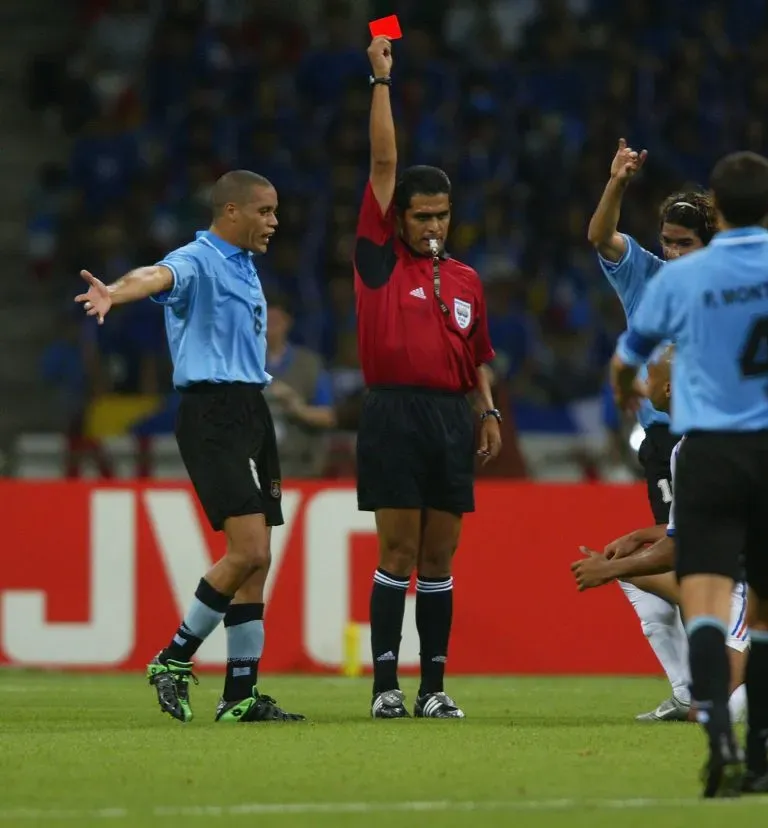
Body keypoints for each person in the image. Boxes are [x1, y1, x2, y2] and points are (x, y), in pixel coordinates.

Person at [610, 36, 768, 797]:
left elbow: (628, 362)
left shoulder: (685, 278)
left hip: (710, 450)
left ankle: (717, 742)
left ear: (716, 210)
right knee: (764, 613)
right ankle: (759, 754)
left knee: (700, 600)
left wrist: (633, 390)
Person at [587, 141, 768, 723]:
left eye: (683, 243)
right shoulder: (649, 275)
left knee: (705, 565)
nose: (671, 251)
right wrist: (616, 182)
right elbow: (600, 236)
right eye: (666, 240)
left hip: (711, 437)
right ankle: (716, 685)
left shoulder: (725, 285)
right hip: (665, 442)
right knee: (704, 564)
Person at [74, 169, 304, 724]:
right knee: (246, 549)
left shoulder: (246, 267)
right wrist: (115, 292)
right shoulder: (197, 259)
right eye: (265, 211)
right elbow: (154, 276)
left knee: (260, 560)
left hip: (252, 411)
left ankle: (240, 695)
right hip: (212, 413)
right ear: (231, 211)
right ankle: (172, 659)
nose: (274, 222)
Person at [571, 351, 768, 727]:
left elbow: (677, 549)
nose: (643, 386)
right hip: (727, 576)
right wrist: (636, 538)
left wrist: (606, 569)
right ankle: (691, 691)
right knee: (634, 577)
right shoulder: (699, 441)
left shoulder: (702, 448)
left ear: (669, 388)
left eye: (648, 378)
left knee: (719, 709)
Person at [355, 36, 501, 720]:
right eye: (422, 215)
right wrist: (381, 81)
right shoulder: (378, 258)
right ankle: (386, 686)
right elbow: (385, 160)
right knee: (398, 548)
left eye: (442, 215)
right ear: (398, 218)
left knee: (440, 557)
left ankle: (433, 686)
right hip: (392, 413)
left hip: (450, 417)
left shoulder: (468, 278)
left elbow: (478, 357)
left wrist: (489, 411)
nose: (434, 225)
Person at [263, 291, 337, 479]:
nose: (271, 327)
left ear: (288, 322)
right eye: (266, 320)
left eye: (276, 320)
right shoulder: (244, 364)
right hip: (256, 467)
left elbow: (328, 416)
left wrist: (297, 407)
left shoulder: (310, 364)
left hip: (300, 467)